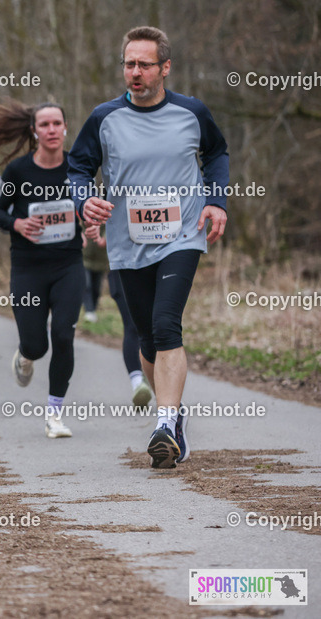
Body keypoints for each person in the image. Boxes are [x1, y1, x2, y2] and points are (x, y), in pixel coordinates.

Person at [69, 26, 229, 468]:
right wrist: (85, 200)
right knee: (146, 337)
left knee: (165, 324)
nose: (135, 72)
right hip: (128, 240)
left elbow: (217, 155)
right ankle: (173, 422)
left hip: (183, 235)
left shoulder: (191, 112)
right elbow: (78, 167)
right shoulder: (104, 118)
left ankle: (165, 422)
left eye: (144, 64)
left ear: (165, 68)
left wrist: (216, 201)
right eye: (128, 64)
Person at [0, 101, 83, 438]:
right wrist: (18, 224)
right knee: (37, 345)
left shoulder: (78, 168)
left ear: (65, 128)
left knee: (64, 335)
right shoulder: (19, 171)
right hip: (28, 269)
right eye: (45, 125)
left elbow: (91, 204)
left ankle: (54, 415)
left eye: (57, 123)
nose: (51, 130)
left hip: (69, 264)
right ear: (34, 131)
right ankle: (25, 355)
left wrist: (91, 221)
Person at [83, 224, 154, 407]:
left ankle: (155, 379)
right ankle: (138, 383)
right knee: (132, 326)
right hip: (121, 269)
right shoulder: (107, 197)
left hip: (155, 264)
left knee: (157, 326)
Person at [82, 223, 108, 322]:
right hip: (85, 258)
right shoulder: (85, 213)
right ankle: (89, 310)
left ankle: (93, 309)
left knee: (96, 287)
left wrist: (105, 238)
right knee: (86, 285)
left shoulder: (108, 214)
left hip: (101, 260)